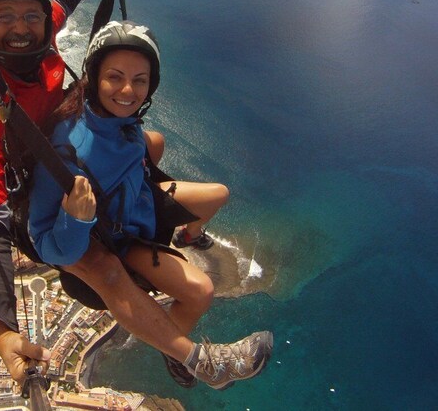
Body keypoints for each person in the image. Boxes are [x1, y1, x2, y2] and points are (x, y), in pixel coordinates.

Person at [28, 20, 273, 389]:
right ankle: (180, 354)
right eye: (115, 77)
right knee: (201, 291)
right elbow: (45, 242)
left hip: (138, 204)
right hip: (121, 238)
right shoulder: (66, 151)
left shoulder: (115, 120)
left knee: (216, 191)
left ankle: (191, 238)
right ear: (94, 77)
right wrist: (76, 220)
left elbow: (126, 149)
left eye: (139, 80)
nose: (128, 90)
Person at [0, 0, 115, 385]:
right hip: (22, 190)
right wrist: (1, 329)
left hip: (55, 157)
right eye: (4, 18)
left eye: (30, 17)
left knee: (150, 144)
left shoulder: (42, 37)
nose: (20, 28)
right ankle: (187, 355)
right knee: (103, 267)